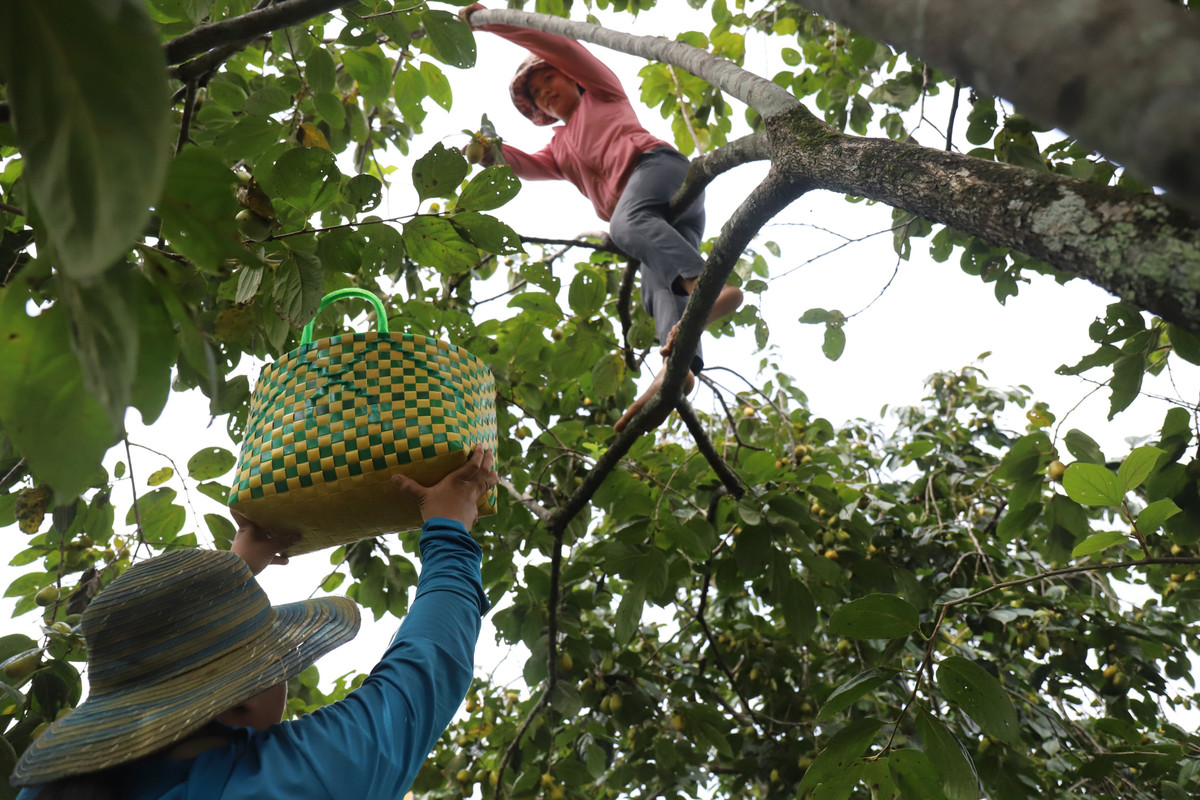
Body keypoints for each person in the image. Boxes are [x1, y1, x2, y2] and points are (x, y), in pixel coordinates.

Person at [11, 448, 499, 800]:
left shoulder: (53, 786)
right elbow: (428, 667)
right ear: (243, 699)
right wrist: (450, 531)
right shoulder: (305, 777)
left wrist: (231, 575)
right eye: (275, 661)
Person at [461, 4, 744, 433]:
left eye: (548, 80)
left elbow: (555, 44)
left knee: (625, 228)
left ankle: (710, 286)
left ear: (569, 76)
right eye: (536, 95)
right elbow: (517, 164)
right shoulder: (558, 149)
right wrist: (485, 150)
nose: (544, 94)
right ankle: (677, 369)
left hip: (659, 171)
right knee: (657, 287)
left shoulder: (601, 90)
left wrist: (494, 22)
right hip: (650, 216)